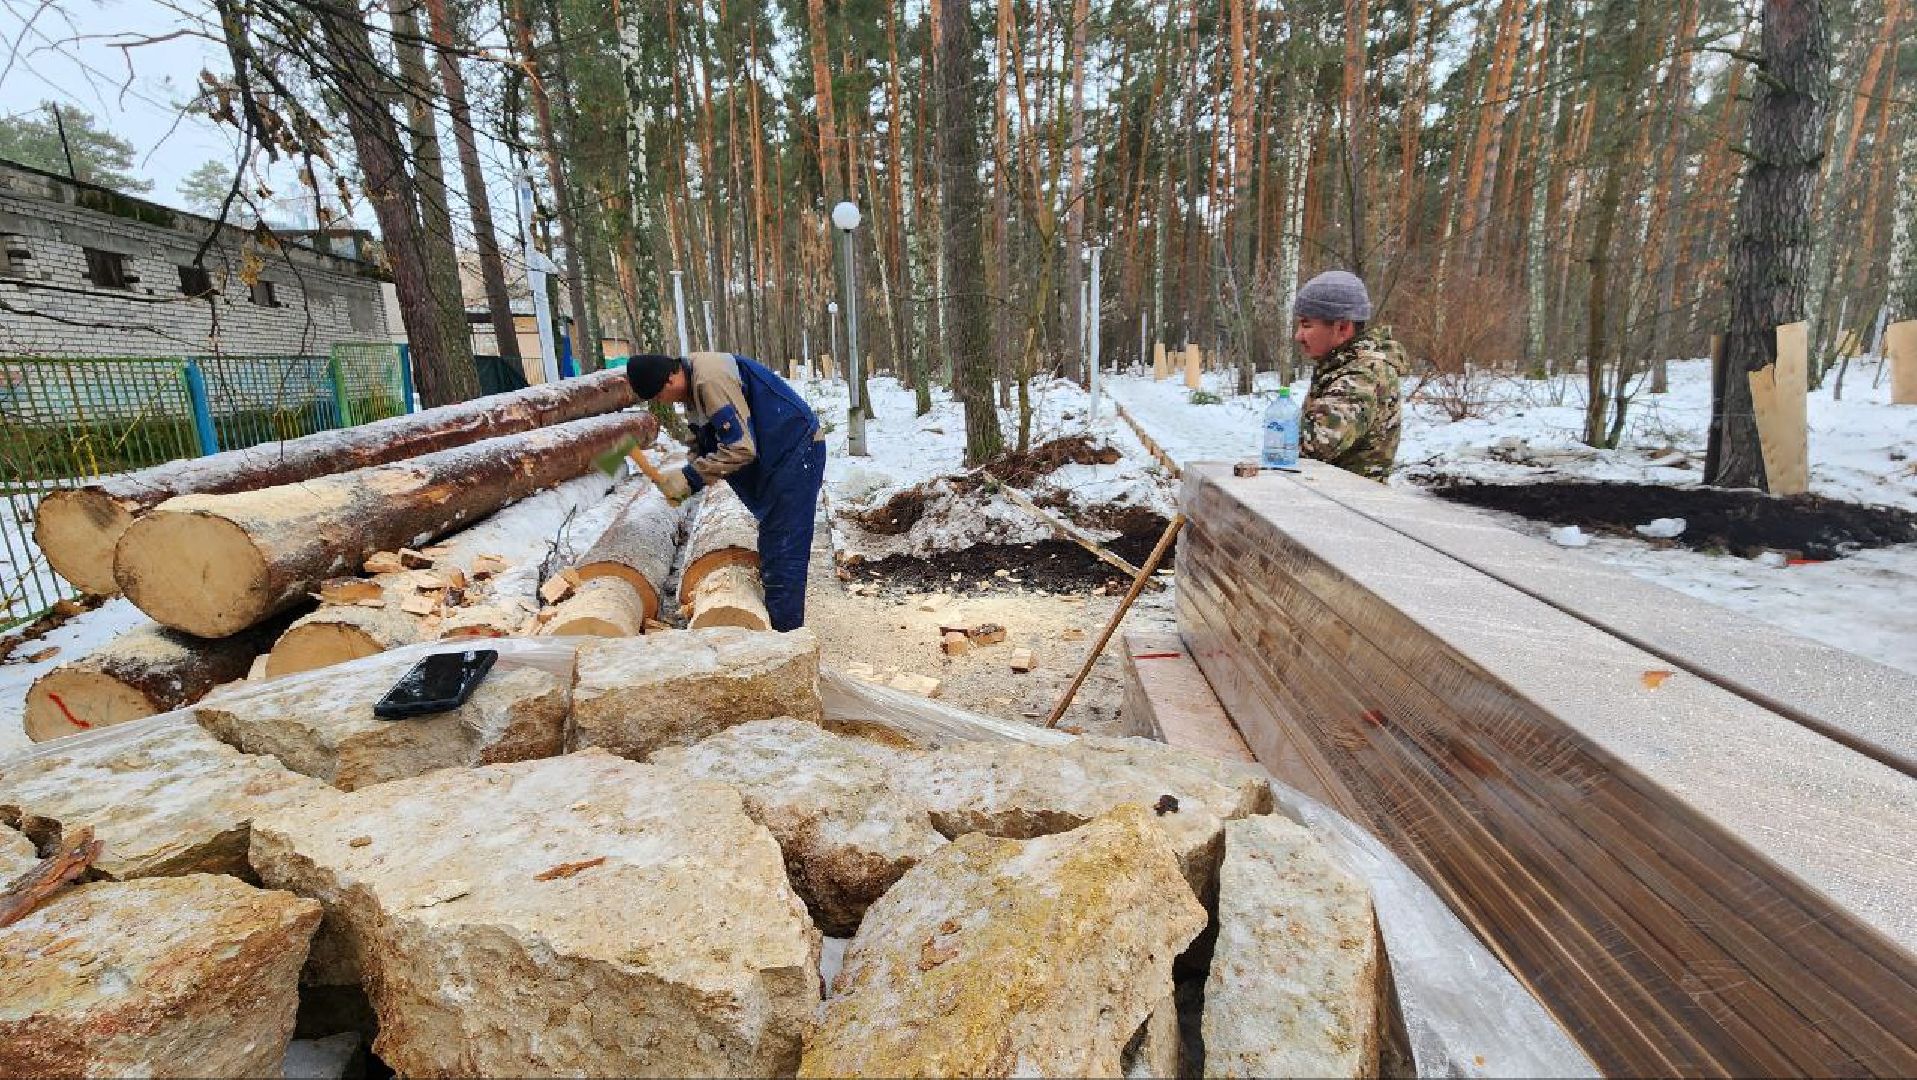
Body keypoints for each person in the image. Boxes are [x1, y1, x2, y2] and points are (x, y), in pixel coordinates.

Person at [625, 352, 826, 632]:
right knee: (773, 546)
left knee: (783, 552)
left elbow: (741, 448)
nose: (662, 402)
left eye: (660, 395)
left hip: (794, 450)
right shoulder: (693, 387)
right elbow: (706, 441)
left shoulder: (709, 380)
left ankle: (786, 645)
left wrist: (691, 479)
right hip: (778, 456)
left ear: (670, 377)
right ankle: (776, 632)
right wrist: (686, 474)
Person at [1291, 270, 1408, 480]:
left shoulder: (1362, 377)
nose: (1298, 336)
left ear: (1343, 328)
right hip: (1332, 498)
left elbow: (1310, 448)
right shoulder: (1342, 367)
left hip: (1349, 505)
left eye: (1307, 325)